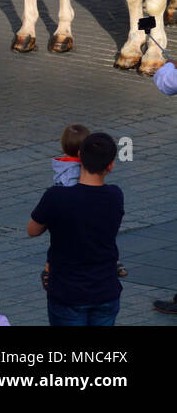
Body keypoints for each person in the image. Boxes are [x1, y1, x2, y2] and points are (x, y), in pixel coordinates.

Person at [28, 132, 124, 326]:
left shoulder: (56, 197)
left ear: (79, 156)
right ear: (110, 165)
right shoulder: (115, 195)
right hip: (105, 290)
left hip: (67, 292)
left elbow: (32, 230)